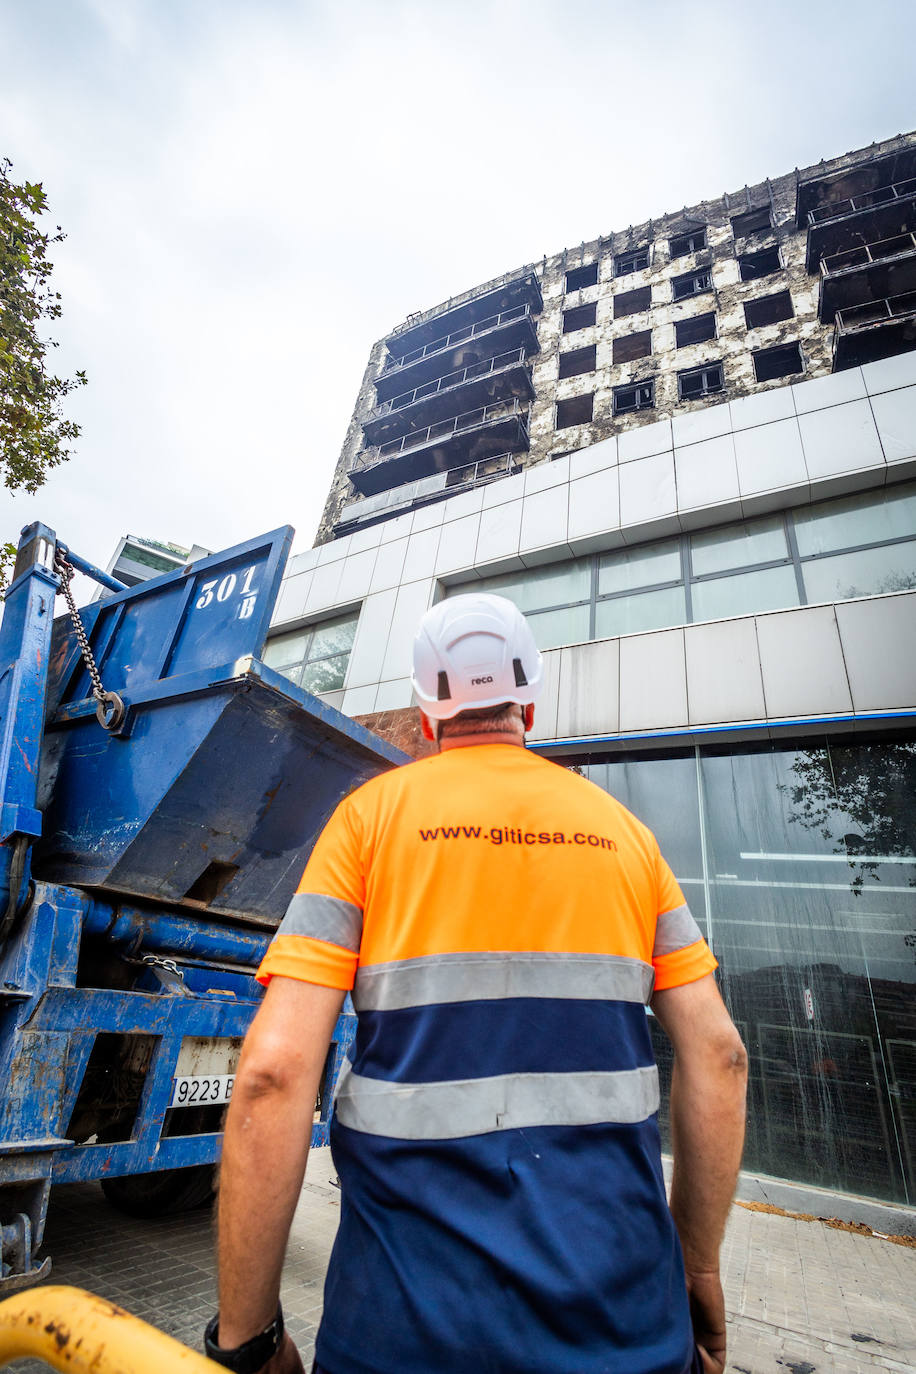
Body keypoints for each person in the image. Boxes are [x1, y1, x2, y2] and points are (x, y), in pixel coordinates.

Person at [207, 593, 748, 1374]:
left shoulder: (366, 821)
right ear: (528, 700)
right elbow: (721, 1057)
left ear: (426, 715)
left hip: (401, 1336)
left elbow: (272, 1076)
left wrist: (250, 1338)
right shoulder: (628, 838)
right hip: (628, 1331)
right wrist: (695, 1269)